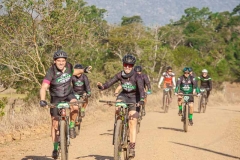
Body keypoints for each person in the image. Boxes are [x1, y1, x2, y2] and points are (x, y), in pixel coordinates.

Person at [39, 50, 91, 159]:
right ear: (54, 61)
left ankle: (71, 126)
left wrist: (84, 70)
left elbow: (75, 71)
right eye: (59, 61)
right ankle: (55, 147)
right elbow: (44, 86)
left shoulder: (69, 66)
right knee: (54, 124)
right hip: (56, 97)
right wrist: (42, 100)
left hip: (68, 94)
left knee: (75, 106)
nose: (61, 63)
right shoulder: (51, 72)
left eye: (63, 60)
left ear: (65, 61)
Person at [97, 54, 145, 157]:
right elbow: (109, 83)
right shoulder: (120, 75)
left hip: (134, 97)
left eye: (130, 65)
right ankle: (119, 124)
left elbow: (141, 90)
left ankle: (132, 147)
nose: (127, 67)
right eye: (125, 64)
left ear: (133, 66)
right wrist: (102, 86)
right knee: (118, 107)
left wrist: (141, 100)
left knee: (133, 121)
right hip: (123, 96)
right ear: (123, 64)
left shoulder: (137, 76)